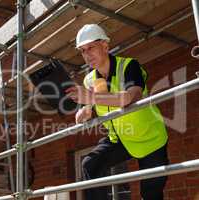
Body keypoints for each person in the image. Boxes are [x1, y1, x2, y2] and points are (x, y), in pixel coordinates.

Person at [66, 24, 169, 200]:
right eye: (82, 51)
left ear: (105, 46)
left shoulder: (129, 66)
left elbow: (131, 97)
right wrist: (84, 111)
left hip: (150, 138)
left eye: (91, 47)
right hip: (120, 139)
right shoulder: (89, 79)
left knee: (150, 194)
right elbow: (89, 107)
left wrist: (91, 99)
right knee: (90, 164)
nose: (87, 54)